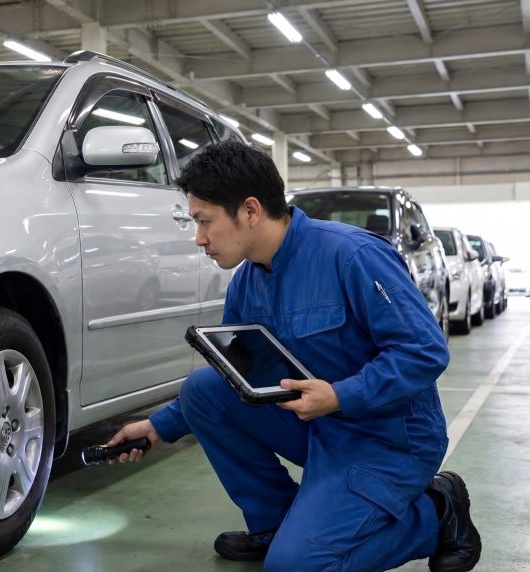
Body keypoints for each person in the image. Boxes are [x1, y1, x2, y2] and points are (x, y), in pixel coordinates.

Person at [106, 140, 481, 571]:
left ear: (249, 211)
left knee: (296, 568)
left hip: (388, 438)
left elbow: (425, 350)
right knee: (205, 389)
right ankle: (275, 522)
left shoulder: (352, 255)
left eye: (204, 222)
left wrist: (341, 395)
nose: (199, 239)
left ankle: (434, 516)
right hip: (318, 427)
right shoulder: (246, 283)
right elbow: (237, 375)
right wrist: (157, 426)